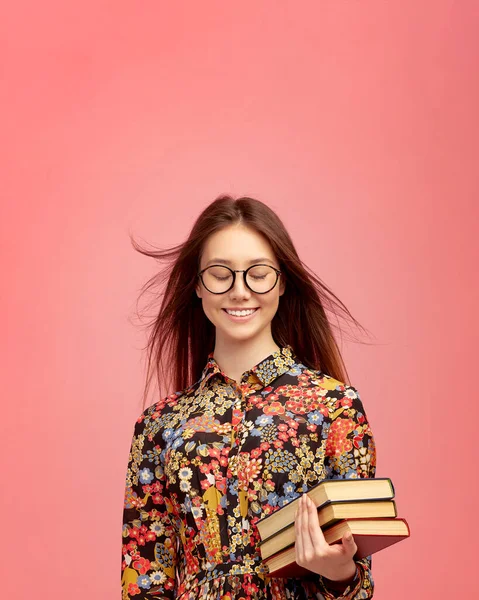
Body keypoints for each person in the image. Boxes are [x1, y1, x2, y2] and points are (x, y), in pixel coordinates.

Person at [121, 195, 377, 600]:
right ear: (197, 285)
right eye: (220, 274)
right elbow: (145, 581)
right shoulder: (158, 426)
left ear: (282, 280)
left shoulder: (334, 407)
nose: (240, 291)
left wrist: (339, 570)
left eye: (258, 273)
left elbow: (358, 585)